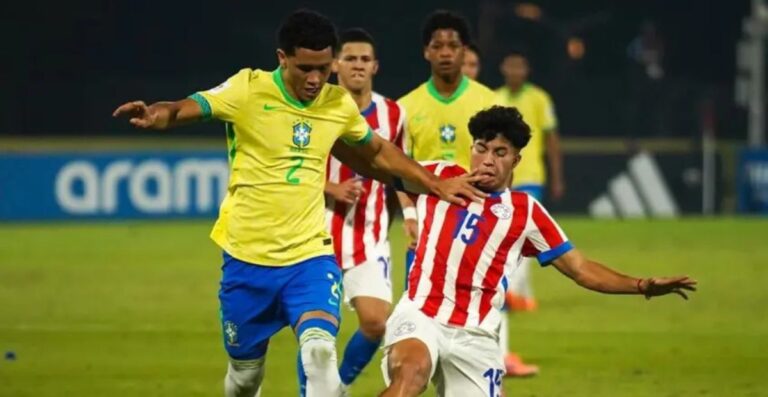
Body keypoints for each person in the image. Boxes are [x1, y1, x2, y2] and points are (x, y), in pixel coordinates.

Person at [112, 10, 485, 397]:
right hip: (246, 259)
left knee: (320, 351)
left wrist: (434, 184)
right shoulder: (248, 89)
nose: (315, 79)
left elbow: (376, 152)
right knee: (245, 379)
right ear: (282, 58)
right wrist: (155, 114)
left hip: (309, 256)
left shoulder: (336, 104)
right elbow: (185, 108)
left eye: (323, 68)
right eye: (305, 68)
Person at [374, 106, 697, 397]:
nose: (488, 159)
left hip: (476, 335)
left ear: (516, 161)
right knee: (411, 374)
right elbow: (378, 162)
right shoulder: (438, 178)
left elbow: (580, 269)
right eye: (481, 148)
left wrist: (641, 286)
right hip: (421, 315)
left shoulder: (525, 211)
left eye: (500, 152)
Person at [324, 28, 406, 394]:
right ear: (335, 65)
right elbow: (291, 165)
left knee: (376, 323)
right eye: (350, 58)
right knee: (318, 334)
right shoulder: (316, 108)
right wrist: (331, 188)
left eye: (364, 59)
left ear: (375, 66)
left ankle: (337, 388)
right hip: (317, 232)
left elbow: (399, 171)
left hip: (370, 234)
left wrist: (408, 217)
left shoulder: (394, 113)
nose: (358, 65)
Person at [398, 10, 498, 289]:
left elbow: (503, 169)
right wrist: (410, 217)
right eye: (437, 46)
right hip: (426, 225)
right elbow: (398, 169)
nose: (445, 53)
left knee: (477, 306)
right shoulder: (405, 107)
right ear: (426, 52)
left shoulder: (489, 102)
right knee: (416, 306)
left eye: (453, 46)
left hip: (475, 221)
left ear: (464, 51)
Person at [495, 49, 566, 376]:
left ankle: (512, 291)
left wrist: (557, 175)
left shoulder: (539, 99)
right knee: (508, 239)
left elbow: (552, 140)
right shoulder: (494, 98)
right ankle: (518, 293)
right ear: (503, 68)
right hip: (501, 180)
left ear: (526, 69)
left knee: (522, 236)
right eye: (510, 65)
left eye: (519, 65)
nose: (514, 70)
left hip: (530, 178)